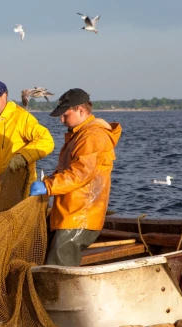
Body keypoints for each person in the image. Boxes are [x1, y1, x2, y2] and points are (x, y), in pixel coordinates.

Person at [29, 88, 122, 266]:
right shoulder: (79, 134)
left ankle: (56, 294)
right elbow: (67, 170)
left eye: (65, 115)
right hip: (69, 213)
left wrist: (48, 187)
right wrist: (48, 180)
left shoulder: (92, 136)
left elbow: (80, 174)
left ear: (80, 110)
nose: (62, 120)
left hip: (80, 216)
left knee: (58, 268)